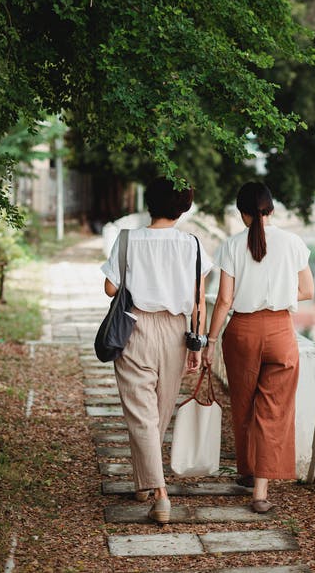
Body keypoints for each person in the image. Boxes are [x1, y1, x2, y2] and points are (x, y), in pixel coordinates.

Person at [101, 177, 212, 523]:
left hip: (136, 328)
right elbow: (199, 303)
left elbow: (109, 288)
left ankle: (156, 491)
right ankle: (151, 485)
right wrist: (199, 343)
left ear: (148, 203)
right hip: (178, 332)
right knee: (158, 413)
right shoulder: (192, 245)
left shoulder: (128, 240)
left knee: (142, 414)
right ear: (184, 207)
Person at [202, 181, 314, 513]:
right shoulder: (293, 243)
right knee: (273, 409)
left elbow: (223, 300)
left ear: (243, 213)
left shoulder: (231, 245)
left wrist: (209, 342)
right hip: (280, 331)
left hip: (242, 332)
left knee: (244, 403)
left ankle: (248, 471)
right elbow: (307, 290)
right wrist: (280, 292)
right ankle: (260, 493)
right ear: (271, 209)